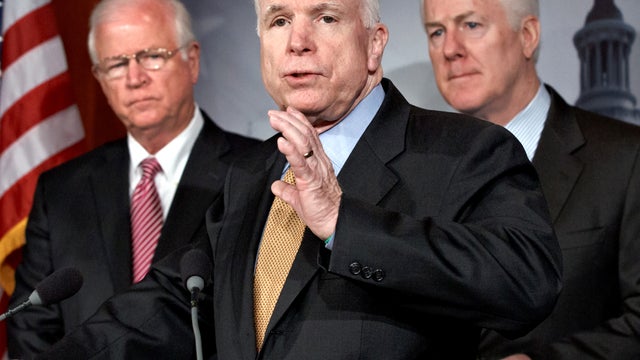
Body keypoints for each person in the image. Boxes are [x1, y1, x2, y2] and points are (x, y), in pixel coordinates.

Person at [35, 0, 561, 358]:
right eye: (280, 19)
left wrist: (341, 223)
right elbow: (171, 303)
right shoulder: (251, 173)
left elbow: (527, 282)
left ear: (374, 45)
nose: (299, 42)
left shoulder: (465, 151)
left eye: (326, 16)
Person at [6, 0, 259, 357]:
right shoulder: (60, 190)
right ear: (99, 78)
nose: (134, 77)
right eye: (117, 63)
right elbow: (31, 332)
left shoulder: (255, 173)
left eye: (152, 55)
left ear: (192, 61)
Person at [421, 0, 640, 359]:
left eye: (471, 25)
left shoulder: (627, 158)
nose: (450, 49)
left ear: (527, 36)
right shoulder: (417, 169)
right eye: (437, 32)